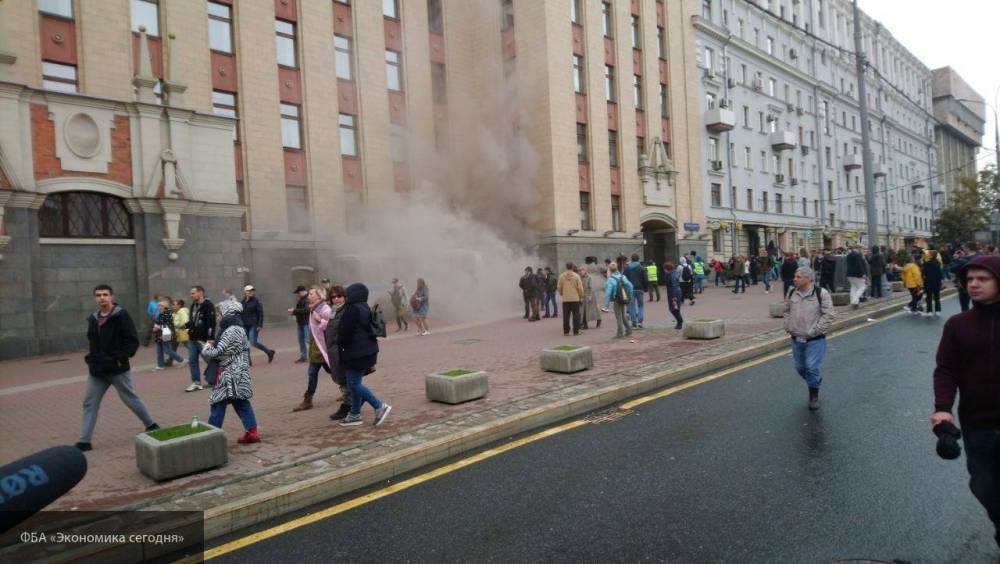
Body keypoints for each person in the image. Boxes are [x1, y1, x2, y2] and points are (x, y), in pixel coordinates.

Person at [931, 256, 1000, 548]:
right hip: (978, 424)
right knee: (984, 487)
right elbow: (945, 369)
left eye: (982, 279)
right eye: (969, 279)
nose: (973, 284)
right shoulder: (958, 325)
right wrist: (943, 409)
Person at [77, 285, 159, 451]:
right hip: (97, 370)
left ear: (112, 297)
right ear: (95, 298)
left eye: (105, 295)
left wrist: (121, 358)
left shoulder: (120, 315)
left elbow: (132, 340)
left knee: (129, 397)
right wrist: (90, 359)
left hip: (117, 368)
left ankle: (151, 424)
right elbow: (93, 342)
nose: (102, 298)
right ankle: (84, 441)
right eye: (98, 295)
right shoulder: (93, 319)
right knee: (89, 403)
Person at [202, 300, 260, 444]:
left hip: (228, 373)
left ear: (226, 313)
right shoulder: (237, 328)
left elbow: (219, 352)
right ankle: (252, 432)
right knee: (240, 402)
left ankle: (211, 437)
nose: (217, 317)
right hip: (237, 372)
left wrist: (206, 348)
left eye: (218, 313)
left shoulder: (231, 330)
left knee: (218, 403)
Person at [337, 283, 392, 427]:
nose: (345, 297)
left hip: (356, 352)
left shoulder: (352, 309)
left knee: (353, 384)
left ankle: (380, 406)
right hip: (367, 350)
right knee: (355, 383)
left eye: (347, 294)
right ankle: (355, 414)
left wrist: (340, 344)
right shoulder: (364, 306)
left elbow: (345, 333)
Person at [783, 267, 835, 411]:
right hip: (796, 338)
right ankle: (815, 382)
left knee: (811, 368)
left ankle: (813, 396)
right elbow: (786, 310)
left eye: (798, 277)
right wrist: (788, 326)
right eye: (795, 276)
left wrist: (816, 331)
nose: (794, 279)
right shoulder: (792, 292)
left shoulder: (821, 293)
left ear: (808, 279)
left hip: (815, 340)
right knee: (800, 368)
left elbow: (829, 314)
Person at [293, 286, 331, 412]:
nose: (309, 296)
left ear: (319, 296)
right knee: (331, 371)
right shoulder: (313, 308)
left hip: (322, 346)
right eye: (309, 294)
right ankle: (348, 390)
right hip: (316, 345)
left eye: (312, 294)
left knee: (313, 371)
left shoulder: (324, 308)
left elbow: (332, 325)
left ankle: (308, 399)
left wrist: (320, 320)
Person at [323, 286, 353, 421]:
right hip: (333, 351)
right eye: (333, 297)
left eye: (339, 296)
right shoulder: (334, 312)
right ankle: (353, 402)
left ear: (344, 297)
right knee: (344, 381)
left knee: (346, 380)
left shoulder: (346, 311)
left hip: (342, 352)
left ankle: (348, 406)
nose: (336, 299)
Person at [185, 286, 215, 392]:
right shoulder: (193, 305)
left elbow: (211, 322)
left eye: (193, 293)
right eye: (191, 293)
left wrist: (210, 338)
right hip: (192, 338)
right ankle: (196, 382)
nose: (191, 295)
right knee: (192, 361)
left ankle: (220, 377)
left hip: (203, 339)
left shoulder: (208, 305)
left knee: (209, 359)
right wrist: (186, 326)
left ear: (200, 293)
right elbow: (193, 320)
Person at [240, 285, 276, 364]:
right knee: (245, 343)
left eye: (252, 291)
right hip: (244, 325)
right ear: (245, 292)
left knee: (253, 342)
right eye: (249, 291)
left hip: (254, 324)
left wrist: (260, 325)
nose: (251, 292)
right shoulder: (242, 302)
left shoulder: (256, 301)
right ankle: (248, 361)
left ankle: (269, 352)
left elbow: (260, 313)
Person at [602, 262, 633, 338]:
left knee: (618, 316)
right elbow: (630, 286)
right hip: (624, 298)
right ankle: (628, 329)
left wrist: (606, 305)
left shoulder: (610, 280)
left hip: (617, 299)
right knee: (623, 315)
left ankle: (620, 333)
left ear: (610, 270)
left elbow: (608, 293)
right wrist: (630, 297)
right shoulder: (623, 277)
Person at [153, 297, 185, 371]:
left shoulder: (168, 313)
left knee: (167, 350)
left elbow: (168, 325)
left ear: (164, 307)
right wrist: (155, 327)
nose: (158, 307)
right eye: (158, 306)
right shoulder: (160, 313)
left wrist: (158, 327)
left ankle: (182, 360)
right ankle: (160, 365)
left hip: (166, 334)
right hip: (159, 334)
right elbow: (158, 323)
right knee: (159, 350)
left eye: (160, 306)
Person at [949, 242, 981, 312]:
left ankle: (966, 319)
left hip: (964, 283)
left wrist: (955, 259)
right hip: (979, 283)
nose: (963, 250)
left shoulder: (963, 260)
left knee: (964, 305)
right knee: (978, 304)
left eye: (964, 248)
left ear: (968, 249)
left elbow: (952, 269)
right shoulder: (980, 256)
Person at [557, 262, 584, 336]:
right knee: (576, 316)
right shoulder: (576, 276)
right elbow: (580, 288)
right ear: (572, 267)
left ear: (566, 267)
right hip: (575, 299)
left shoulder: (562, 276)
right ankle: (576, 331)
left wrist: (562, 293)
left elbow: (559, 287)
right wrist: (581, 296)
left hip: (565, 299)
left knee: (566, 316)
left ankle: (566, 331)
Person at [624, 254, 648, 328]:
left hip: (630, 289)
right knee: (640, 305)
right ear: (638, 259)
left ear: (631, 259)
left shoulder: (627, 268)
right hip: (640, 289)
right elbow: (645, 279)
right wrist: (646, 288)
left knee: (632, 306)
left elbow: (624, 278)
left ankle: (634, 322)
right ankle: (640, 321)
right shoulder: (642, 268)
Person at [288, 285, 310, 363]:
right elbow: (302, 311)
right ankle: (303, 356)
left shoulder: (307, 299)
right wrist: (294, 312)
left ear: (302, 291)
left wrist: (294, 311)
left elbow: (307, 310)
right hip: (301, 323)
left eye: (298, 293)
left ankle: (313, 356)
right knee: (301, 341)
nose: (297, 294)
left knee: (308, 340)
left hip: (306, 323)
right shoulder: (302, 299)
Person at [921, 250, 944, 316]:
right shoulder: (938, 263)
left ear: (931, 255)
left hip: (928, 282)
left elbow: (923, 273)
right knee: (937, 297)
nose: (927, 255)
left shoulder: (926, 263)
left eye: (929, 254)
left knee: (929, 297)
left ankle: (929, 311)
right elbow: (939, 273)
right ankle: (938, 311)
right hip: (936, 282)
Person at [663, 261, 683, 329]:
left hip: (673, 293)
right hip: (675, 292)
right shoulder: (673, 273)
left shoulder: (671, 275)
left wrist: (674, 297)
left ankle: (680, 321)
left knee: (673, 309)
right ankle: (679, 322)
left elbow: (673, 285)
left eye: (664, 269)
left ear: (667, 269)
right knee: (675, 308)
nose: (664, 270)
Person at [171, 298, 190, 363]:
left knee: (189, 346)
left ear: (179, 305)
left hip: (182, 332)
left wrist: (180, 328)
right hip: (176, 333)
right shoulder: (174, 313)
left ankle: (193, 358)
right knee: (173, 347)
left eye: (174, 304)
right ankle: (170, 360)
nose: (172, 306)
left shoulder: (182, 312)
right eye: (172, 304)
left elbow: (186, 321)